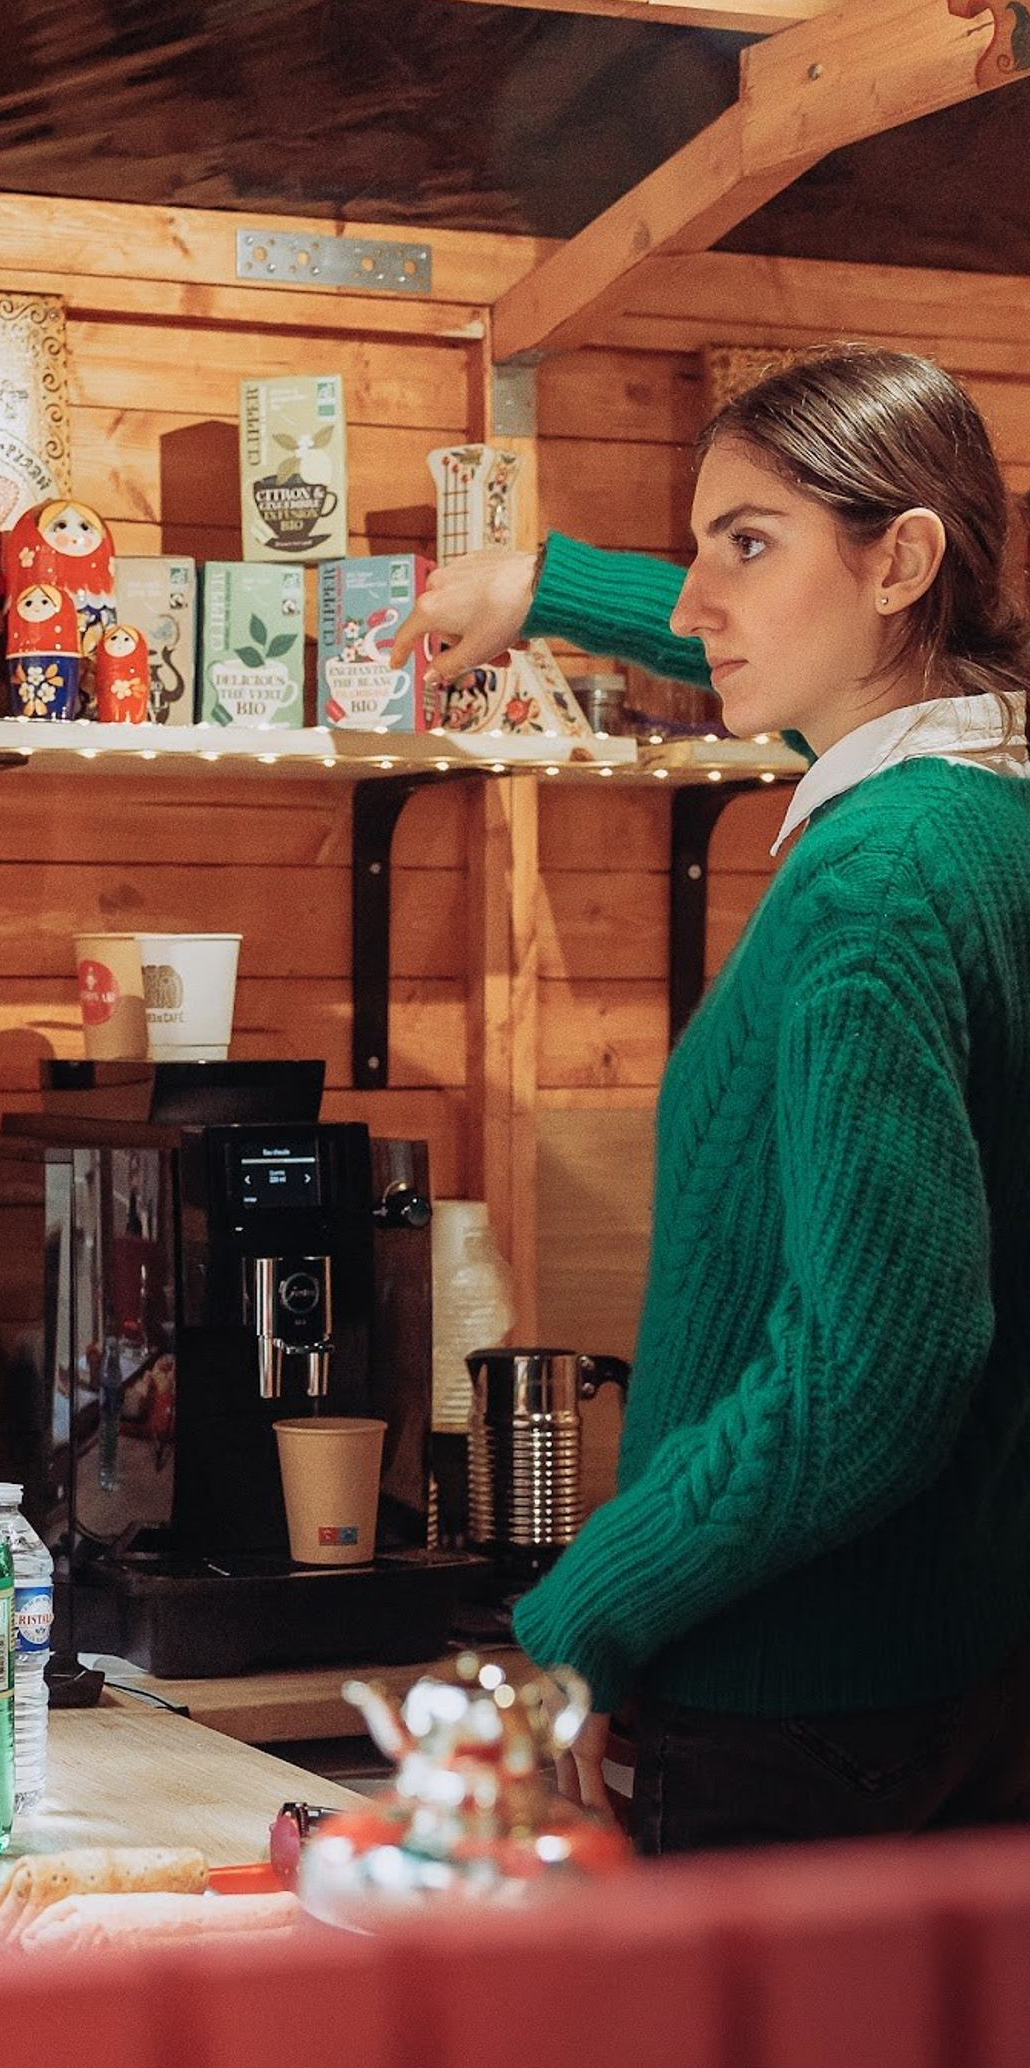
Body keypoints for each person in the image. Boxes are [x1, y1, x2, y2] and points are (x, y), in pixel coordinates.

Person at [394, 344, 1030, 1853]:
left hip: (795, 1705)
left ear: (905, 562)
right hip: (967, 1680)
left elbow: (878, 1376)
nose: (692, 605)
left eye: (745, 545)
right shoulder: (991, 816)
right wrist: (543, 583)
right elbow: (822, 665)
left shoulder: (875, 884)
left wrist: (577, 1621)